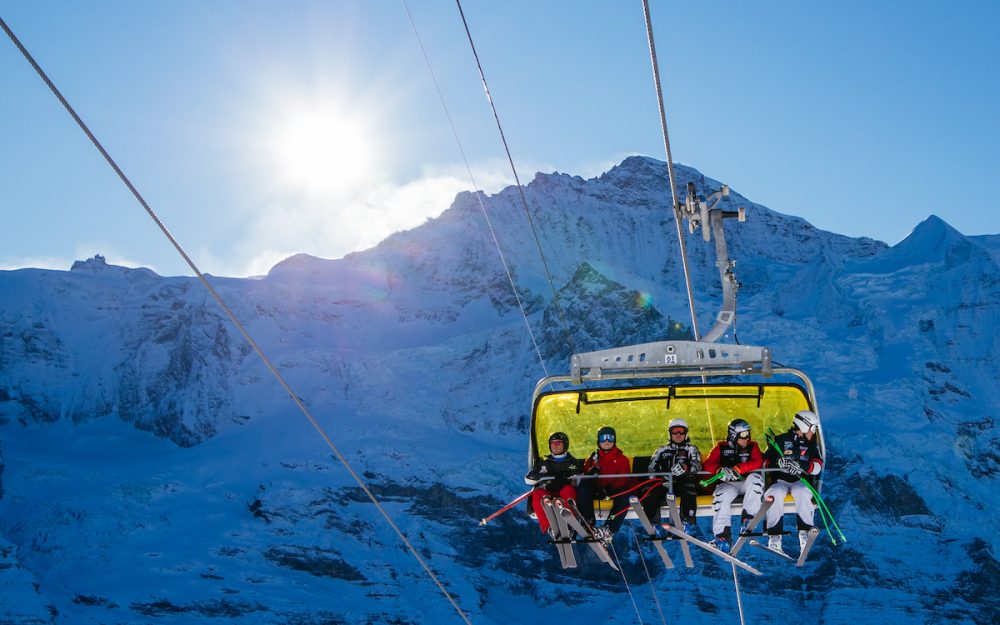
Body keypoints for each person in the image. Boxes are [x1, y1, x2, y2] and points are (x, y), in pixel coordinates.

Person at [762, 409, 824, 554]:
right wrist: (778, 462)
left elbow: (818, 467)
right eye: (812, 428)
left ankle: (805, 532)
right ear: (804, 426)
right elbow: (764, 463)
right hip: (780, 481)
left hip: (800, 481)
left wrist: (802, 466)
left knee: (801, 492)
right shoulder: (780, 440)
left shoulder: (811, 445)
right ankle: (775, 537)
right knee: (774, 493)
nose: (813, 432)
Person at [702, 418, 765, 552]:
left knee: (756, 479)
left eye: (748, 433)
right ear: (733, 435)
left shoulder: (752, 446)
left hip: (745, 481)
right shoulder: (721, 448)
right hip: (728, 484)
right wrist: (719, 469)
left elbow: (758, 461)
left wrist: (740, 468)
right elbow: (707, 464)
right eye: (743, 435)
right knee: (722, 496)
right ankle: (722, 536)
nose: (747, 438)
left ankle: (748, 519)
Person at [641, 418, 703, 533]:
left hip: (683, 483)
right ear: (670, 433)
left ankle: (687, 521)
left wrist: (686, 468)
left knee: (689, 486)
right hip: (664, 483)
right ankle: (653, 523)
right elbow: (651, 469)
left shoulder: (691, 449)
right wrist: (662, 477)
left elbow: (698, 465)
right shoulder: (661, 450)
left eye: (681, 431)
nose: (678, 435)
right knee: (649, 490)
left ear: (686, 433)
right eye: (675, 431)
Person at [576, 426, 634, 539]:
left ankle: (610, 527)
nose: (606, 441)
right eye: (603, 438)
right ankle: (588, 520)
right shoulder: (592, 459)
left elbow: (624, 478)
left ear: (614, 440)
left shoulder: (622, 459)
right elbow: (584, 476)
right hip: (596, 491)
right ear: (598, 441)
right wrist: (591, 472)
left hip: (611, 492)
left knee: (625, 495)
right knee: (583, 488)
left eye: (610, 438)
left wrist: (610, 488)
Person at [524, 431, 584, 537]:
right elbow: (528, 480)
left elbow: (582, 476)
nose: (555, 446)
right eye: (552, 443)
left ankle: (570, 524)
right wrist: (539, 476)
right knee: (537, 493)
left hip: (564, 494)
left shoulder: (574, 463)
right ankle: (549, 527)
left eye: (558, 443)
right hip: (549, 493)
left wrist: (571, 478)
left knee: (567, 489)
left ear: (565, 445)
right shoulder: (543, 464)